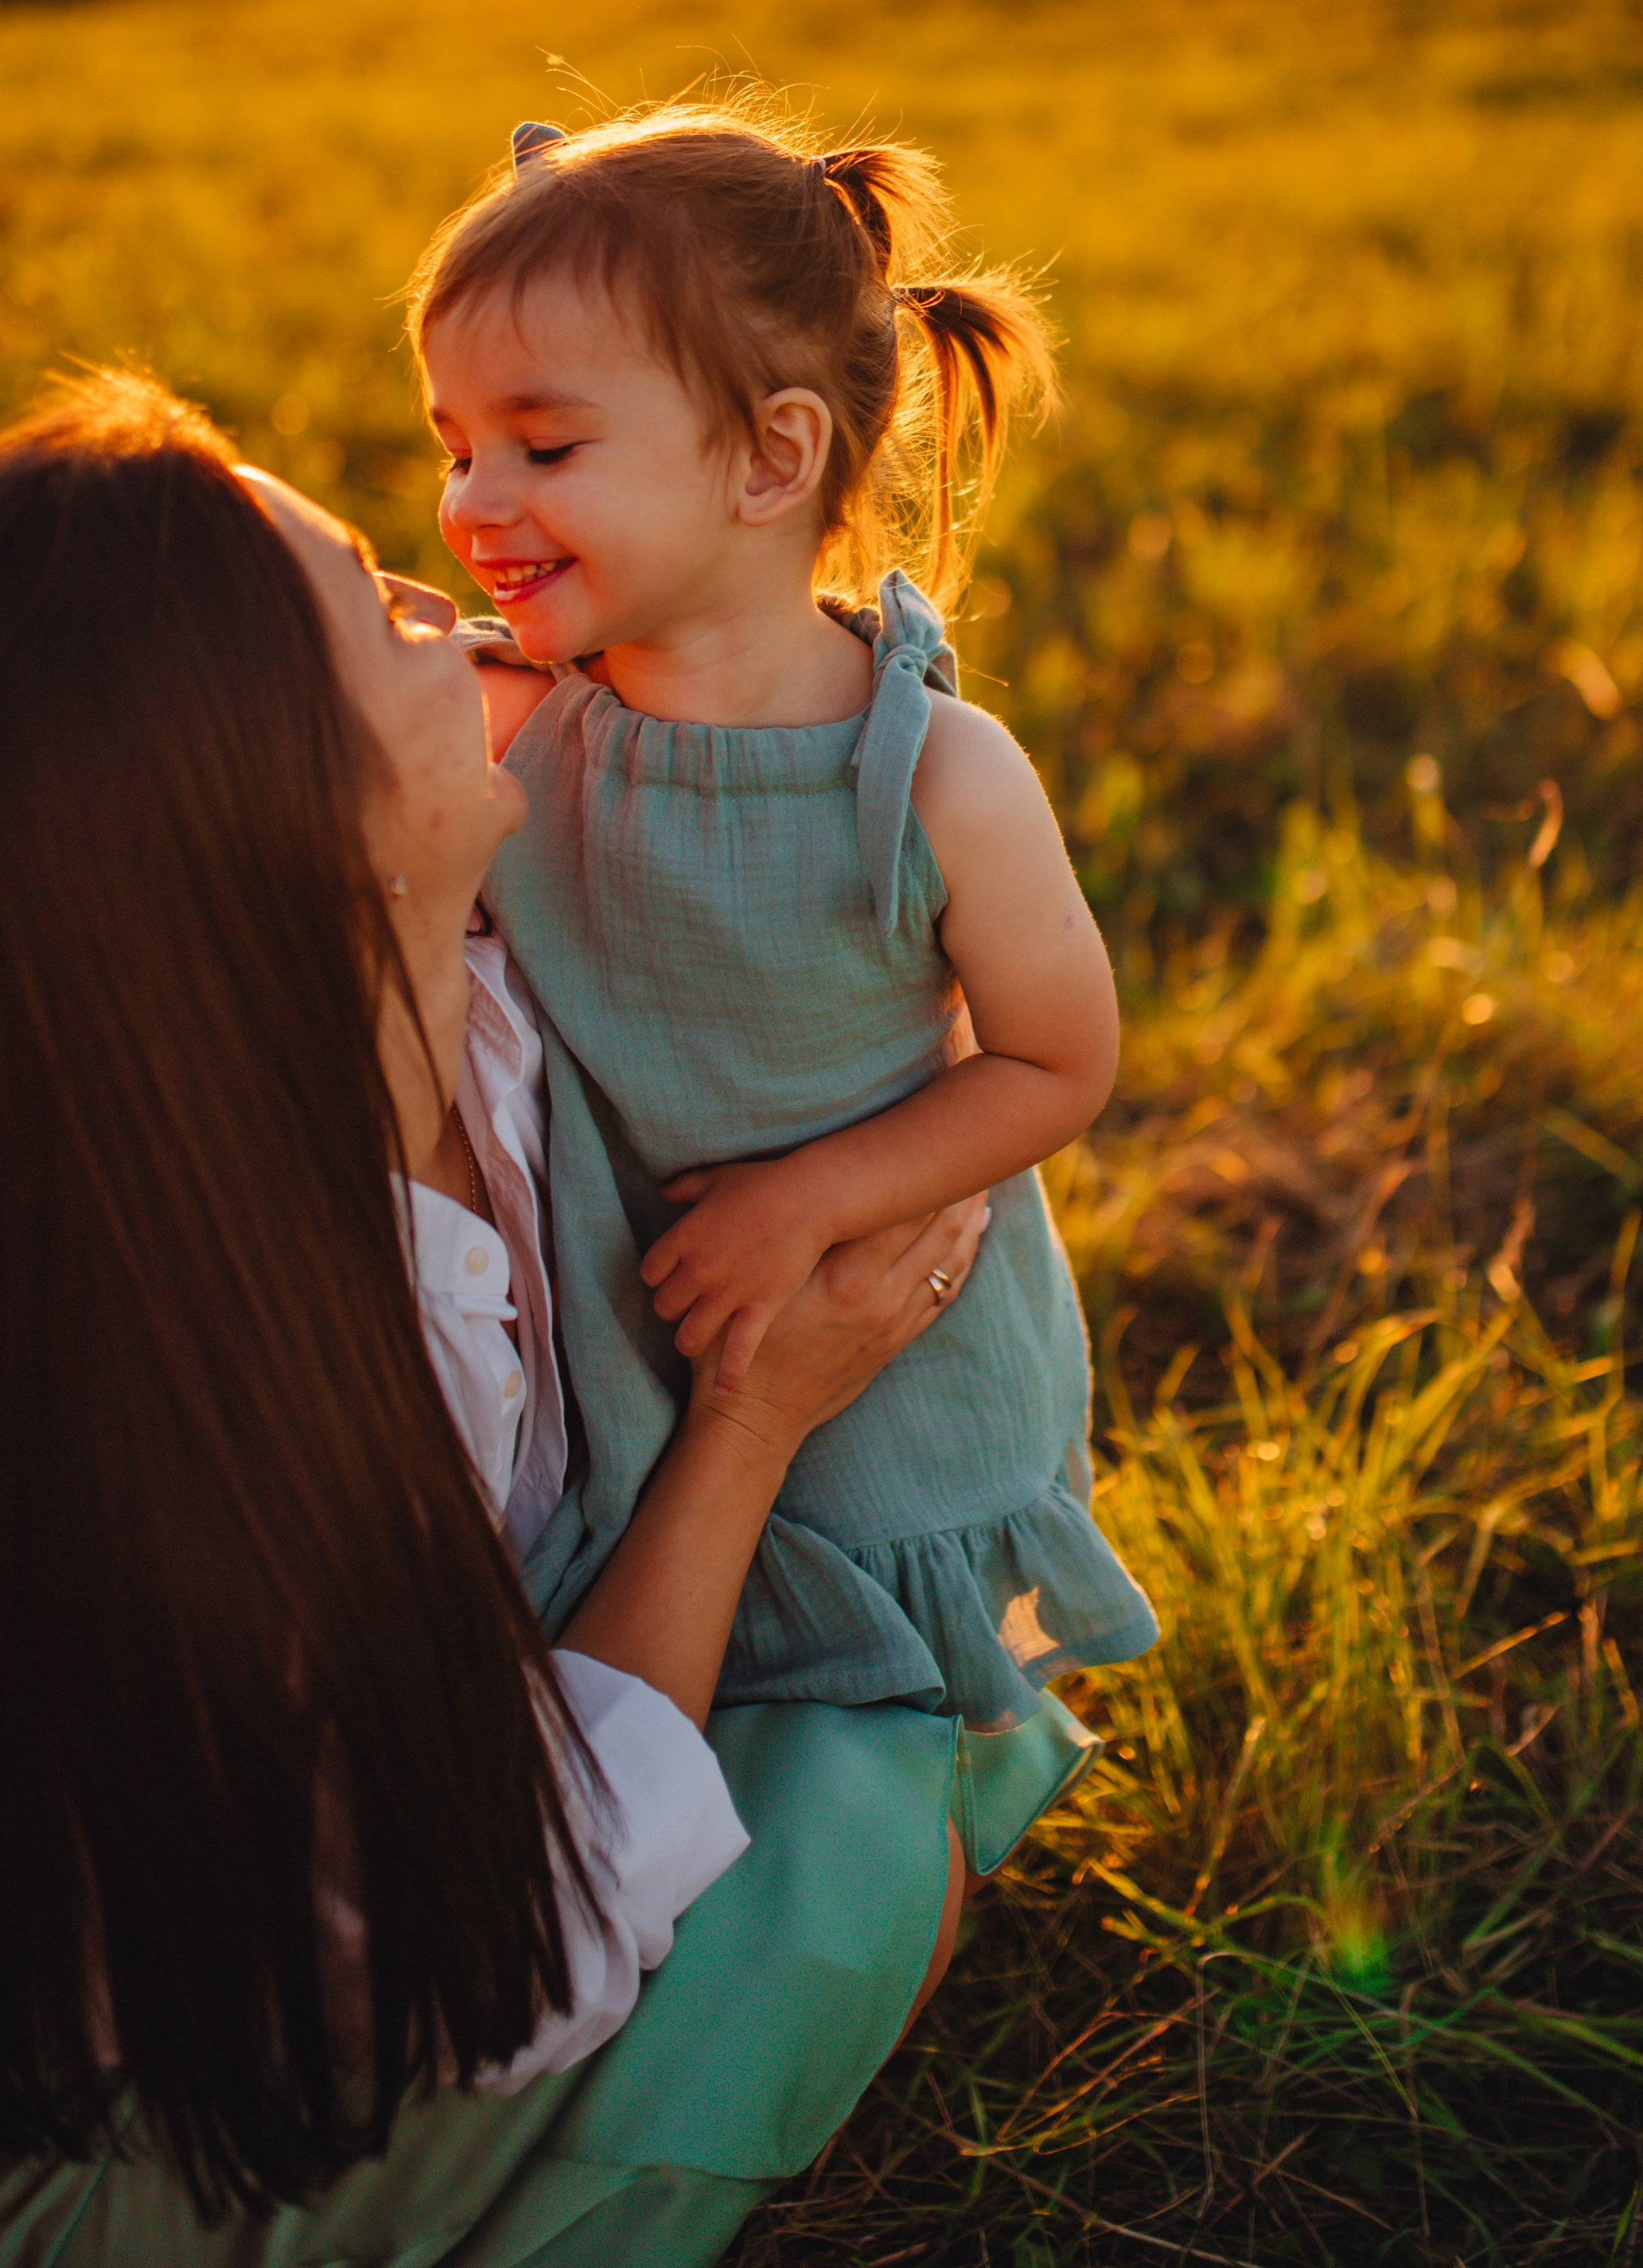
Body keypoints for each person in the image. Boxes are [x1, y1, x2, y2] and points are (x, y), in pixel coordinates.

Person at [0, 373, 1000, 2267]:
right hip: (71, 2108)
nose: (446, 597)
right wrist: (756, 1419)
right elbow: (510, 1952)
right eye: (376, 604)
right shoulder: (186, 1415)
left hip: (355, 1867)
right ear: (285, 815)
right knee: (854, 1855)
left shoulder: (447, 976)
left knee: (865, 1752)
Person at [414, 99, 1159, 1750]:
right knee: (685, 1630)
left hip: (884, 1342)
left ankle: (930, 1799)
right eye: (453, 444)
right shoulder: (518, 722)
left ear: (770, 456)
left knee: (883, 1697)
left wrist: (809, 1201)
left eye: (543, 448)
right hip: (627, 1339)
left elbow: (1057, 1060)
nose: (473, 501)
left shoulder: (927, 777)